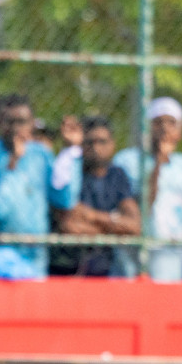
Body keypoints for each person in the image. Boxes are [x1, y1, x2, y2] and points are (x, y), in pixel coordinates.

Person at [0, 95, 66, 279]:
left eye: (21, 122)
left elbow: (63, 200)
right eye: (9, 122)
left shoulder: (42, 155)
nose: (15, 129)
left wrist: (70, 153)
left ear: (31, 124)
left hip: (34, 258)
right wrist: (12, 165)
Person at [113, 97, 182, 282]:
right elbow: (142, 208)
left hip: (173, 256)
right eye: (158, 122)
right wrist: (158, 164)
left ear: (181, 130)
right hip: (134, 254)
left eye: (172, 122)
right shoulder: (127, 161)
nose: (164, 128)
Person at [55, 116, 141, 277]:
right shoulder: (72, 171)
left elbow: (134, 225)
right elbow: (71, 226)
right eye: (89, 142)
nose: (95, 147)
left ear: (112, 144)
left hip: (109, 268)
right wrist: (114, 225)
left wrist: (90, 215)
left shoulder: (118, 175)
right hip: (71, 267)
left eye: (102, 141)